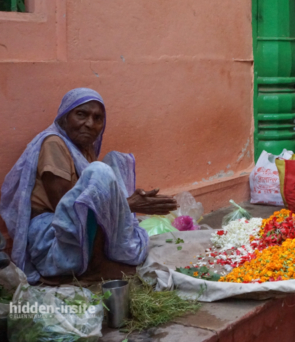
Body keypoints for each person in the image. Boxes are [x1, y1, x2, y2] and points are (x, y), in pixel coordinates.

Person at [0, 88, 177, 284]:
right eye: (81, 114)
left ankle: (114, 251)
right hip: (53, 241)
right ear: (65, 117)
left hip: (76, 234)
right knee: (100, 172)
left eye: (97, 118)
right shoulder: (53, 144)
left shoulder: (84, 149)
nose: (90, 124)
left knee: (116, 160)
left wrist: (124, 204)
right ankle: (94, 267)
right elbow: (69, 209)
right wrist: (127, 204)